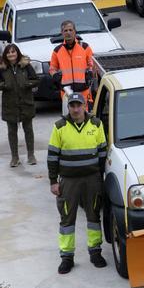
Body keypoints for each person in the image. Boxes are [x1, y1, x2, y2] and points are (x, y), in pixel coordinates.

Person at [48, 92, 107, 274]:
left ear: (84, 106)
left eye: (78, 105)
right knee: (67, 218)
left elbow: (103, 152)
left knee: (94, 216)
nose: (75, 109)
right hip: (68, 181)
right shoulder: (59, 127)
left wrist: (102, 176)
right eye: (72, 105)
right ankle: (67, 257)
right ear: (69, 107)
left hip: (92, 179)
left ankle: (95, 252)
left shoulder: (96, 124)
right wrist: (53, 181)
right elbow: (52, 156)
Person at [1, 44, 39, 166]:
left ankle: (31, 155)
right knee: (12, 132)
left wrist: (27, 84)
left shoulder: (26, 66)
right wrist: (4, 86)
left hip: (26, 103)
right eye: (8, 52)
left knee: (28, 130)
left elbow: (36, 79)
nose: (11, 54)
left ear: (17, 53)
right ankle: (14, 157)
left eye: (13, 52)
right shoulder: (2, 68)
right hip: (9, 104)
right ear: (5, 55)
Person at [49, 20, 95, 108]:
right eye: (65, 30)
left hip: (83, 92)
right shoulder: (57, 50)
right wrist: (55, 76)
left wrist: (90, 73)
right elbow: (52, 68)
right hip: (67, 93)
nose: (68, 33)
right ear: (62, 33)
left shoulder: (85, 47)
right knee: (68, 118)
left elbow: (92, 64)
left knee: (85, 118)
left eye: (70, 30)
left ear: (75, 31)